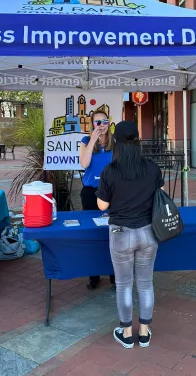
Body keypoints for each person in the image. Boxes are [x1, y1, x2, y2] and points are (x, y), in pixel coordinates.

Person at [96, 121, 164, 349]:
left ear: (116, 142)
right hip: (148, 233)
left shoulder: (110, 171)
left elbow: (102, 205)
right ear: (137, 141)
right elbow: (160, 195)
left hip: (121, 234)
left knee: (124, 285)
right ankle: (144, 333)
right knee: (145, 284)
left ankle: (126, 333)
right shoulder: (152, 167)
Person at [79, 109, 115, 290]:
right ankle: (94, 275)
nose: (101, 125)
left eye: (104, 121)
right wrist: (93, 139)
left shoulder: (115, 142)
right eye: (97, 122)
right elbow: (84, 164)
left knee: (114, 233)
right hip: (90, 192)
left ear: (109, 123)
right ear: (92, 124)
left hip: (112, 194)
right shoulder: (86, 141)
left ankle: (114, 275)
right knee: (93, 234)